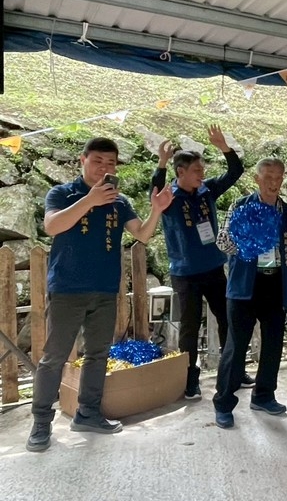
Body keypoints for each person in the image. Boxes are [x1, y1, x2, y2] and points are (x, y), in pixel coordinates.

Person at [26, 138, 173, 452]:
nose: (104, 168)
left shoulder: (119, 202)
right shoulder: (63, 193)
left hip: (105, 290)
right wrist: (90, 200)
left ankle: (88, 413)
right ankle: (41, 422)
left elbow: (142, 234)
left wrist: (157, 210)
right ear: (83, 160)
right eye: (98, 161)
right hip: (67, 289)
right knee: (54, 358)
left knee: (98, 354)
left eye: (111, 163)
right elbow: (52, 226)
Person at [151, 125, 246, 400]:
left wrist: (224, 147)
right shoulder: (168, 198)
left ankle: (233, 370)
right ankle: (189, 379)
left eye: (202, 169)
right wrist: (161, 163)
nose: (201, 174)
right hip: (186, 274)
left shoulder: (207, 191)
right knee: (190, 328)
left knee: (227, 319)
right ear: (180, 172)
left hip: (214, 267)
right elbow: (154, 191)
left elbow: (235, 172)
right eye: (196, 170)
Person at [212, 158, 287, 429]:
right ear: (257, 179)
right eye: (268, 177)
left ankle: (263, 395)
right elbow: (222, 242)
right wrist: (248, 243)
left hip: (276, 284)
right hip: (244, 285)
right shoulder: (240, 206)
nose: (274, 183)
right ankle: (224, 403)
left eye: (278, 178)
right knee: (236, 346)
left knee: (273, 342)